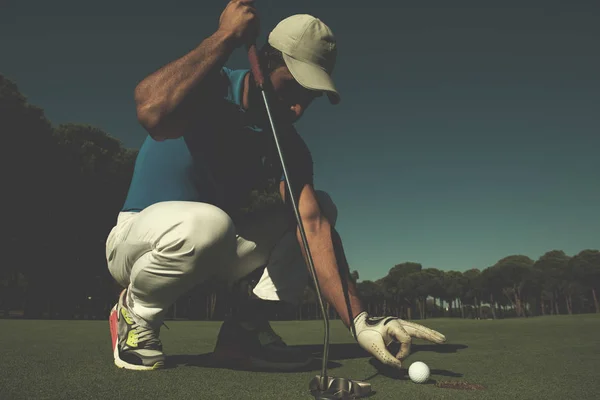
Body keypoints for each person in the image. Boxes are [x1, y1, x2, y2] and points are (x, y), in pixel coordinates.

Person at [105, 0, 446, 372]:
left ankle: (244, 332)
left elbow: (312, 227)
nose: (298, 109)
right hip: (137, 242)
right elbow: (151, 112)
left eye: (309, 97)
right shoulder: (210, 86)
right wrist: (224, 36)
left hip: (213, 246)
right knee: (209, 225)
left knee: (321, 210)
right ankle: (135, 314)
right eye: (293, 88)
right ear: (263, 64)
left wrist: (360, 321)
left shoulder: (287, 145)